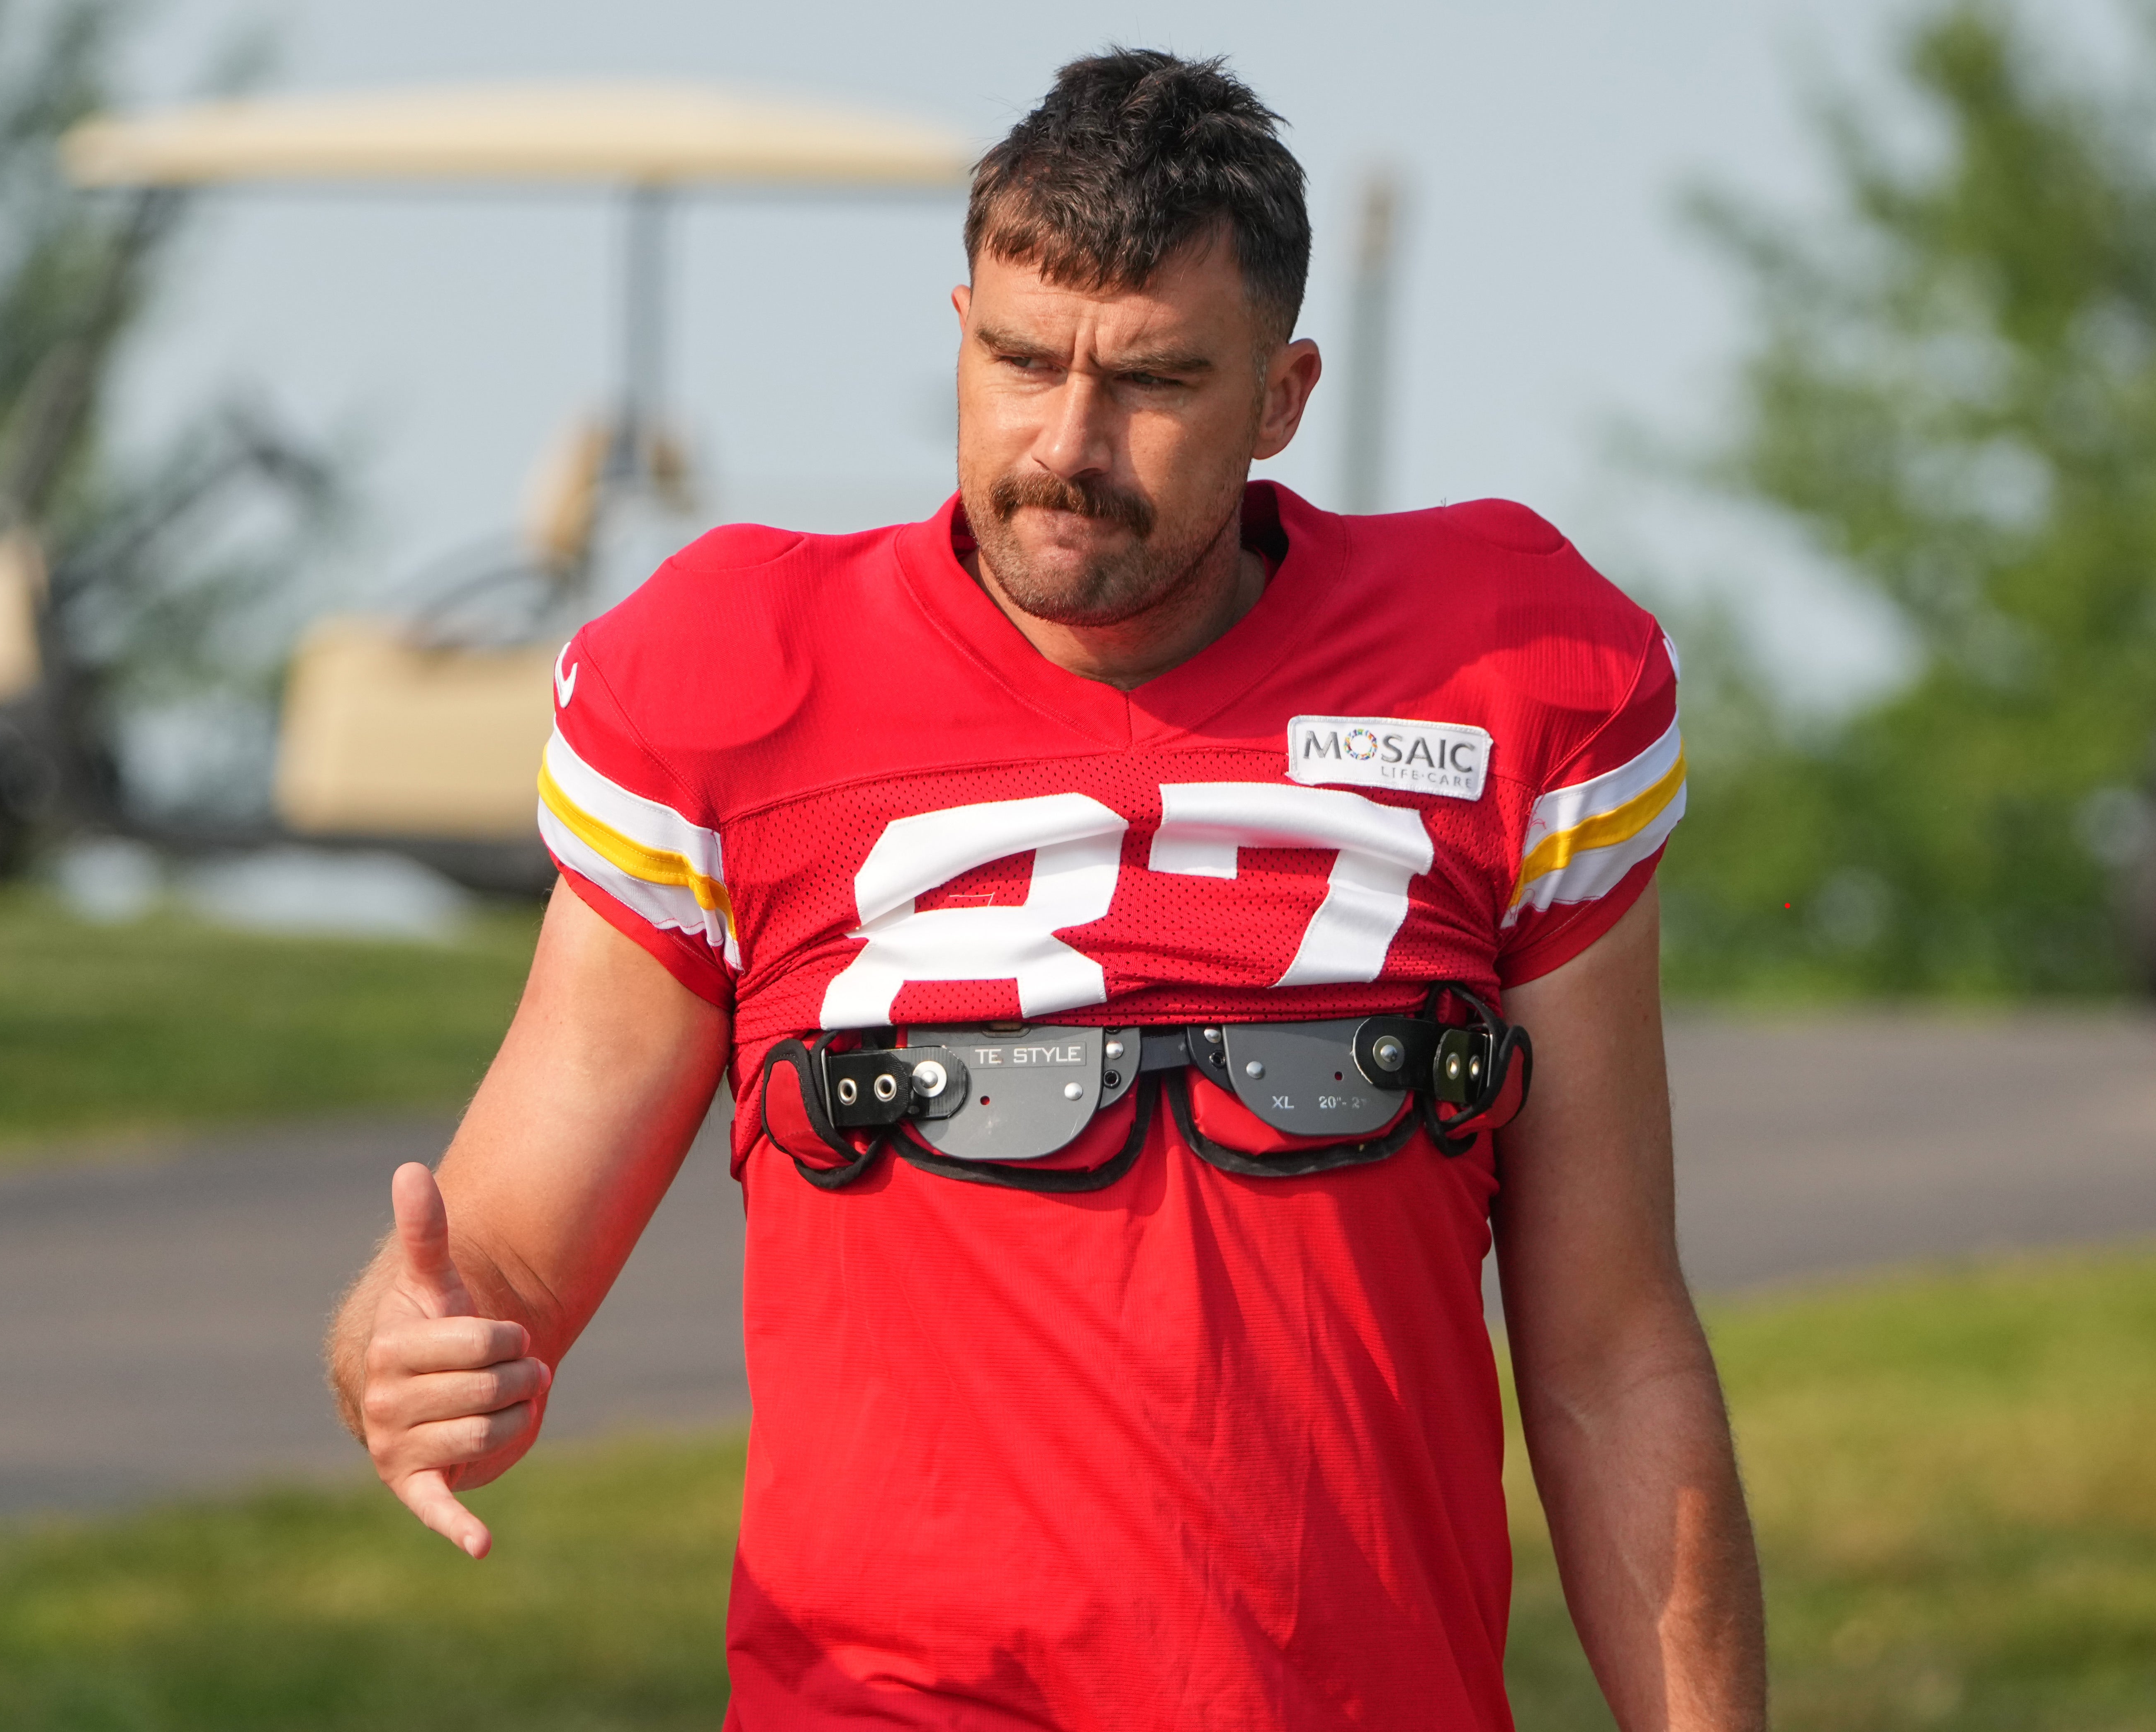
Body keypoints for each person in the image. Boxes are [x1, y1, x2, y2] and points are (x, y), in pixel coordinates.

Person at [326, 48, 1765, 1731]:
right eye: (1020, 361)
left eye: (1152, 381)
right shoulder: (734, 679)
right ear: (961, 330)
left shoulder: (1511, 672)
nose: (1066, 444)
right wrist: (403, 1357)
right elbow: (490, 1250)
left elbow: (1608, 1352)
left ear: (1284, 397)